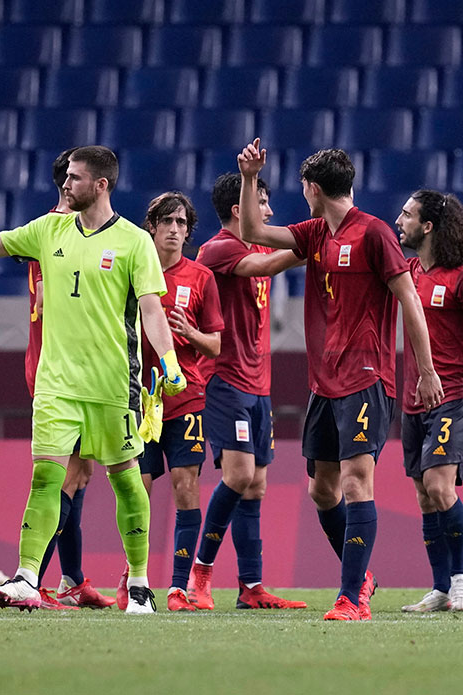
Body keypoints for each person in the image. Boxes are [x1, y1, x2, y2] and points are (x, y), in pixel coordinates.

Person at [0, 146, 185, 615]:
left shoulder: (133, 241)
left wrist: (167, 360)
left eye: (76, 178)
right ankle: (26, 576)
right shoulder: (48, 230)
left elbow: (149, 309)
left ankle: (140, 585)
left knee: (125, 482)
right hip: (56, 385)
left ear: (101, 185)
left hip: (112, 386)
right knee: (46, 477)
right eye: (66, 176)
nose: (65, 183)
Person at [237, 141, 443, 621]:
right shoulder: (315, 233)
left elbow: (409, 301)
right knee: (322, 490)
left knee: (356, 480)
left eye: (303, 187)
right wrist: (248, 177)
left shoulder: (374, 234)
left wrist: (426, 369)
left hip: (367, 377)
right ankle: (362, 578)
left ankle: (351, 597)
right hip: (323, 382)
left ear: (312, 187)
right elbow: (251, 231)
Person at [186, 172, 308, 611]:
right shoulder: (217, 248)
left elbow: (268, 257)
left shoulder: (256, 244)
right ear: (241, 209)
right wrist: (317, 241)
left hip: (259, 385)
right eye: (263, 202)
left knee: (255, 485)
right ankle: (198, 577)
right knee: (237, 476)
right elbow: (265, 266)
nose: (270, 211)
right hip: (225, 380)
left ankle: (251, 587)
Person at [394, 190, 463, 614]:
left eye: (407, 214)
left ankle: (461, 581)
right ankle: (440, 587)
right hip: (414, 399)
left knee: (440, 484)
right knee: (424, 494)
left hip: (457, 395)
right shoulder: (408, 272)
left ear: (429, 226)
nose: (399, 220)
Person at [26, 149, 115, 611]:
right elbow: (47, 292)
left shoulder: (81, 230)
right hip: (59, 367)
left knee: (80, 478)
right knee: (67, 477)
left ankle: (73, 579)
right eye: (72, 176)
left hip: (81, 368)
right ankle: (32, 584)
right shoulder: (55, 232)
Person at [138, 191, 225, 611]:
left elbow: (216, 345)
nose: (175, 230)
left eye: (182, 223)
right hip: (139, 398)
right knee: (136, 488)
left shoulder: (201, 278)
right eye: (167, 222)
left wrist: (190, 334)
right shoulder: (132, 273)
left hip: (186, 397)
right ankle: (132, 578)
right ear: (151, 227)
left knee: (185, 486)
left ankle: (176, 587)